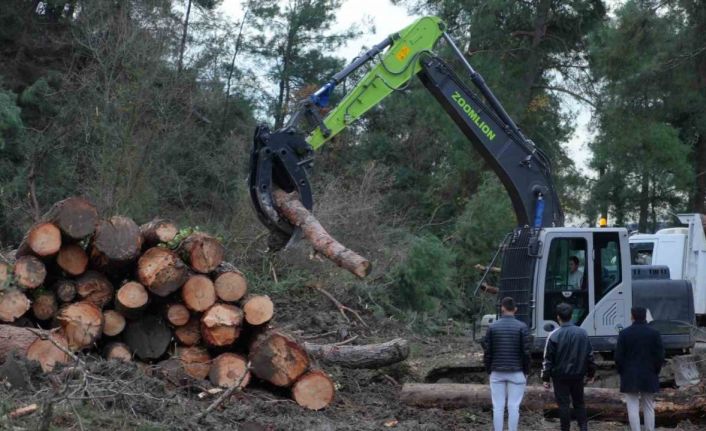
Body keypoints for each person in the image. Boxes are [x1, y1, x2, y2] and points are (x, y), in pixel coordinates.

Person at [541, 303, 596, 431]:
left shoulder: (553, 335)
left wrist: (545, 378)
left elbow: (548, 359)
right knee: (579, 403)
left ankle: (565, 429)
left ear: (558, 317)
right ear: (572, 316)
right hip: (578, 375)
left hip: (560, 377)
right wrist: (591, 374)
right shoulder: (582, 333)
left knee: (563, 405)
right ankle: (583, 428)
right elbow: (590, 356)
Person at [482, 297, 531, 431]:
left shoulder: (492, 327)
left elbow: (487, 352)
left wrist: (489, 370)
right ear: (515, 309)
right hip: (516, 371)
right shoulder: (522, 327)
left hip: (497, 371)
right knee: (514, 406)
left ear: (502, 308)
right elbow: (526, 353)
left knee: (498, 406)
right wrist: (526, 371)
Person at [615, 307, 665, 431]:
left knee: (632, 406)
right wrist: (656, 371)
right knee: (648, 405)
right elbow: (660, 356)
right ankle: (650, 429)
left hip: (630, 375)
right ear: (645, 317)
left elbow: (618, 357)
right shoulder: (654, 333)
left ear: (632, 316)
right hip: (649, 374)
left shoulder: (624, 334)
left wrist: (622, 372)